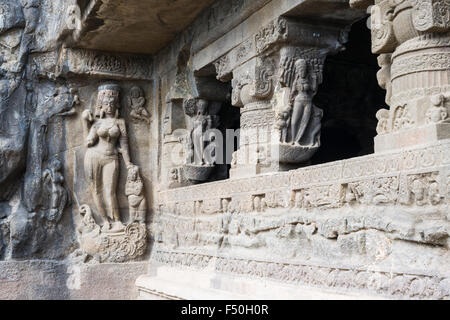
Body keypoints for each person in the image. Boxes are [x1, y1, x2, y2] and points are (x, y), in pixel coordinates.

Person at [82, 83, 133, 231]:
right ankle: (105, 221)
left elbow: (124, 144)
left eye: (112, 103)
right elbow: (88, 142)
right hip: (93, 157)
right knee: (96, 190)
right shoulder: (97, 123)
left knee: (110, 191)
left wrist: (129, 163)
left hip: (112, 157)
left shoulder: (120, 122)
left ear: (116, 104)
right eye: (106, 103)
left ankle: (117, 221)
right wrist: (85, 122)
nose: (109, 105)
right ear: (101, 106)